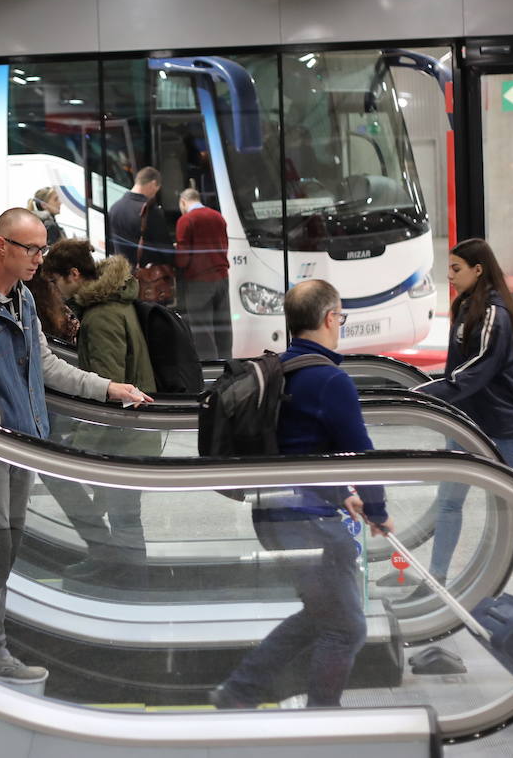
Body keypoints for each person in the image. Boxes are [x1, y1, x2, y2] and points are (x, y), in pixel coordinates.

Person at [0, 208, 151, 680]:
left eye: (42, 249)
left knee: (6, 547)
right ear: (1, 246)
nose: (39, 258)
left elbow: (48, 366)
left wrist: (107, 387)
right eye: (31, 249)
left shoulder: (21, 299)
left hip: (21, 444)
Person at [210, 279, 392, 710]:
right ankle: (321, 717)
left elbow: (295, 448)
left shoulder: (277, 370)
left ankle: (239, 691)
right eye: (341, 317)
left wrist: (340, 494)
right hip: (307, 524)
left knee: (321, 615)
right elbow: (363, 456)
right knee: (347, 627)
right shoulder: (330, 380)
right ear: (330, 318)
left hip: (273, 515)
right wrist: (378, 508)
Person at [412, 238, 513, 591]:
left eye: (456, 268)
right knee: (449, 501)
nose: (449, 275)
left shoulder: (496, 311)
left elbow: (477, 370)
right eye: (448, 268)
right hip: (466, 419)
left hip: (498, 422)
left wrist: (422, 395)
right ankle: (436, 578)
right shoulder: (466, 305)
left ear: (478, 270)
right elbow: (458, 370)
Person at [39, 239, 159, 584]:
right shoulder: (110, 304)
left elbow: (109, 386)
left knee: (124, 515)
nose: (54, 290)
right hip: (129, 434)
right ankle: (117, 569)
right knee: (123, 513)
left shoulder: (102, 315)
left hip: (123, 437)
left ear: (73, 275)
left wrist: (84, 449)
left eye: (54, 281)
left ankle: (133, 584)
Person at [174, 188, 231, 360]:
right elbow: (225, 246)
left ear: (183, 202)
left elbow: (183, 259)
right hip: (222, 278)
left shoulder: (186, 220)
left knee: (202, 332)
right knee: (223, 327)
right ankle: (227, 367)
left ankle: (209, 373)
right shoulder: (217, 216)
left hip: (199, 282)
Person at [106, 167, 171, 267]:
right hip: (145, 277)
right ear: (153, 184)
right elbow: (166, 250)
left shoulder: (114, 208)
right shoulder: (151, 211)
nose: (155, 194)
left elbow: (110, 244)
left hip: (121, 274)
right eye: (157, 190)